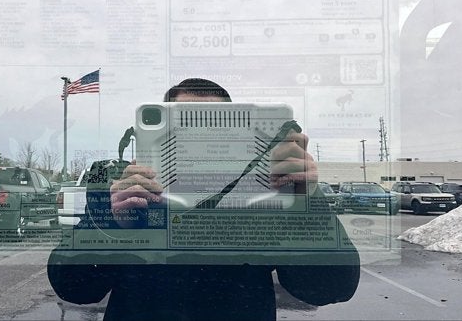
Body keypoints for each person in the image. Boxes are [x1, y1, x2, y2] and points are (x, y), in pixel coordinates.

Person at [48, 78, 360, 321]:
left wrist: (307, 203)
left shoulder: (260, 200)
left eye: (215, 129)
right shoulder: (129, 197)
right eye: (185, 128)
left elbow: (331, 287)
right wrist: (114, 226)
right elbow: (73, 288)